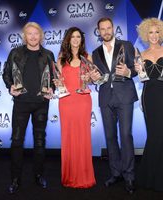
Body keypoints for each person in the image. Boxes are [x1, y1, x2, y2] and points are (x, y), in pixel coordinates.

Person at [2, 22, 55, 194]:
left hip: (41, 104)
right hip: (21, 104)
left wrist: (53, 89)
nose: (33, 37)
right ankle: (15, 179)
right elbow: (6, 73)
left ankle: (38, 175)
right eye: (29, 34)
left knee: (40, 141)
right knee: (17, 141)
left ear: (41, 35)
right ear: (25, 36)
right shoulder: (15, 53)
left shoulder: (48, 55)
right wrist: (10, 86)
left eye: (36, 33)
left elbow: (54, 78)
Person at [91, 17, 138, 194]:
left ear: (113, 28)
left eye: (108, 28)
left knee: (125, 136)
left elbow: (136, 69)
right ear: (98, 32)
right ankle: (116, 172)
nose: (105, 31)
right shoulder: (95, 53)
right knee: (110, 137)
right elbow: (96, 76)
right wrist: (94, 79)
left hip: (124, 96)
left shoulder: (126, 45)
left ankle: (129, 175)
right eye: (102, 29)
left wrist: (128, 72)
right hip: (105, 98)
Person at [54, 27, 96, 188]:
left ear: (82, 39)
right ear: (68, 39)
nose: (76, 39)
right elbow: (59, 82)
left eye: (78, 36)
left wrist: (89, 78)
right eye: (73, 37)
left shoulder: (87, 57)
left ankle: (84, 176)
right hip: (66, 102)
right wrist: (57, 83)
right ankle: (69, 176)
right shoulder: (61, 58)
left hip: (83, 100)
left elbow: (91, 80)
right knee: (68, 138)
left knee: (83, 137)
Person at [135, 17, 163, 191]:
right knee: (154, 135)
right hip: (149, 97)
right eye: (151, 32)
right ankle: (149, 177)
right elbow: (140, 78)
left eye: (157, 31)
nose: (154, 35)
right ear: (146, 34)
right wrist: (136, 70)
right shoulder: (140, 55)